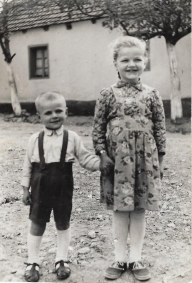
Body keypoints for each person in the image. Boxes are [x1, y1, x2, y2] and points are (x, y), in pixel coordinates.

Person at [92, 36, 166, 281]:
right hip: (117, 163)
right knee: (119, 210)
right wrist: (102, 154)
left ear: (145, 61)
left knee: (139, 210)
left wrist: (161, 161)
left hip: (145, 163)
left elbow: (159, 129)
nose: (132, 64)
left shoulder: (152, 94)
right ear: (116, 63)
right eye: (125, 60)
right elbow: (97, 128)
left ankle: (135, 258)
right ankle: (119, 258)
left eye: (137, 59)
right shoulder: (107, 94)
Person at [21, 91, 100, 282]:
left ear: (66, 112)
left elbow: (85, 158)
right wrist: (25, 189)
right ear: (39, 116)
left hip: (63, 184)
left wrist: (102, 165)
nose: (54, 116)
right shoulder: (34, 139)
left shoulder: (72, 137)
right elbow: (27, 165)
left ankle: (61, 259)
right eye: (48, 113)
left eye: (58, 111)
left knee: (62, 222)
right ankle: (33, 261)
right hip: (40, 185)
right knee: (37, 223)